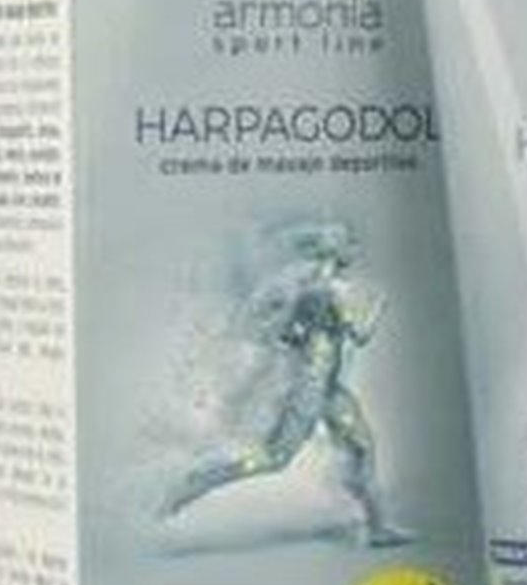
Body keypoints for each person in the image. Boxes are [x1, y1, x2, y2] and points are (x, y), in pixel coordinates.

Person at [161, 223, 407, 546]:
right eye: (349, 243)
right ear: (333, 249)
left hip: (327, 386)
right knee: (273, 457)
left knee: (360, 447)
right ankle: (190, 483)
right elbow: (360, 333)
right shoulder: (325, 290)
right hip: (310, 387)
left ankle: (377, 527)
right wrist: (375, 308)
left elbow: (287, 335)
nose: (355, 249)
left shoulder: (311, 287)